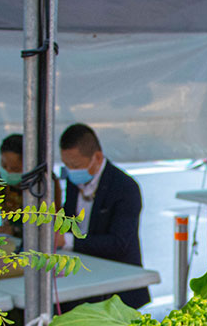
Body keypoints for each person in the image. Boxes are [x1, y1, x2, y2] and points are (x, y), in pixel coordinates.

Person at [56, 123, 149, 309]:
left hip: (118, 288)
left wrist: (67, 241)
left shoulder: (125, 187)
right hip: (82, 277)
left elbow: (119, 243)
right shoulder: (76, 183)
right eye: (66, 166)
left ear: (97, 157)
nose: (71, 171)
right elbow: (69, 218)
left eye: (75, 165)